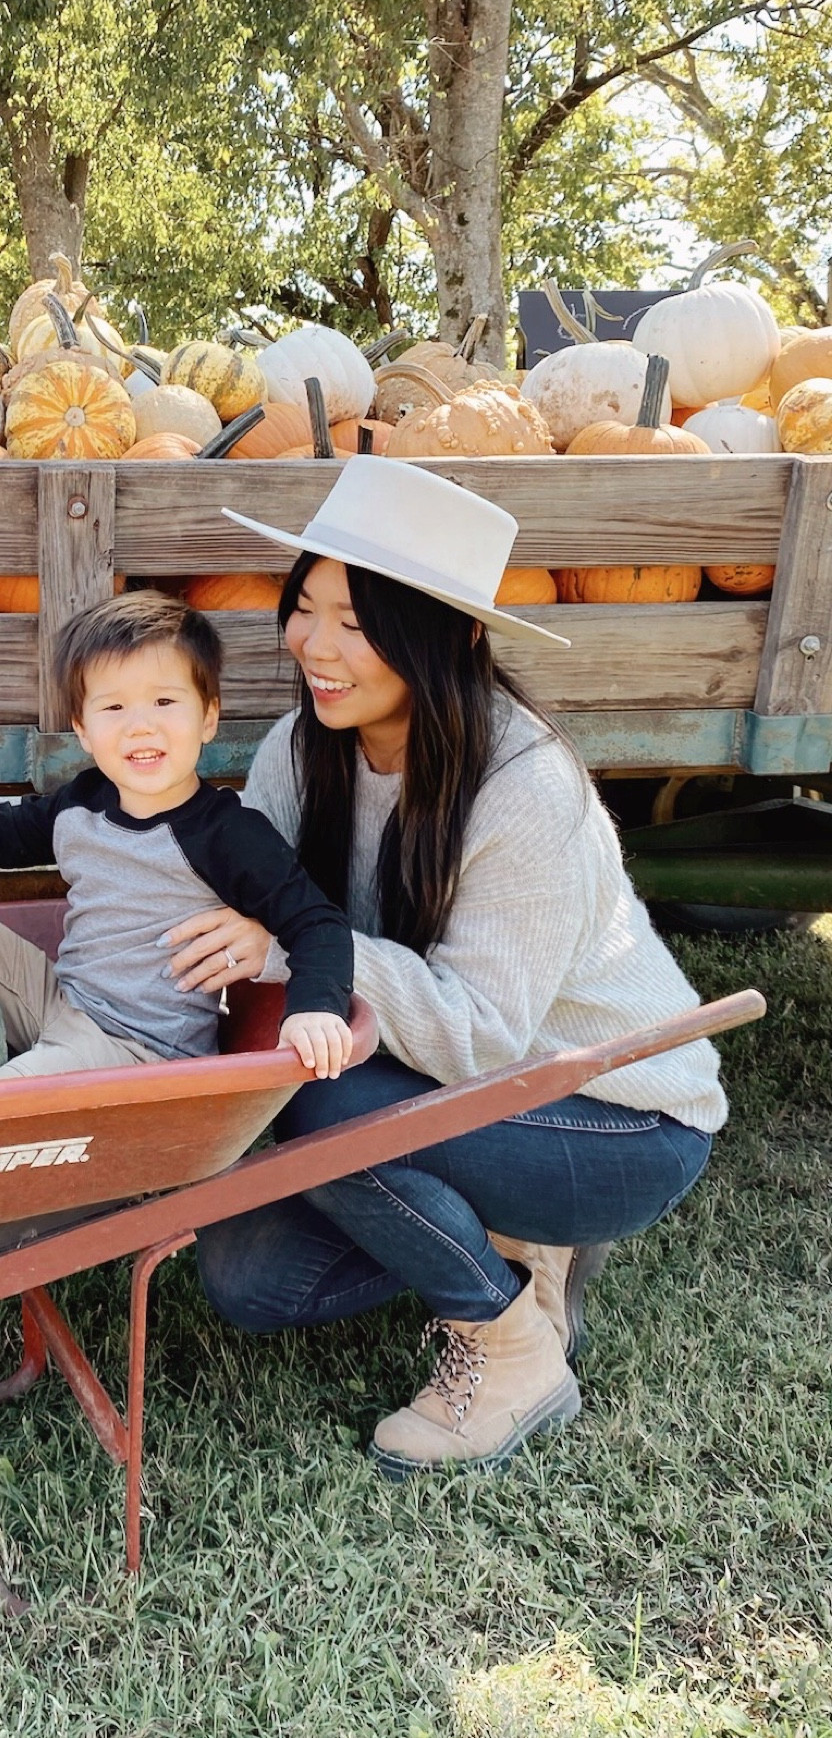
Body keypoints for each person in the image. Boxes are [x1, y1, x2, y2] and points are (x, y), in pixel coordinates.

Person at [170, 457, 726, 1477]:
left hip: (610, 1115)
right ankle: (504, 1229)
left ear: (452, 634)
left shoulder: (525, 788)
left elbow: (482, 1035)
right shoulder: (300, 749)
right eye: (306, 607)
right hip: (447, 1081)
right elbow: (241, 905)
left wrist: (297, 944)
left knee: (321, 1104)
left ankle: (510, 1348)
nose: (315, 644)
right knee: (252, 1277)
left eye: (357, 620)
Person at [0, 591, 355, 1080]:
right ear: (82, 728)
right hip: (63, 1002)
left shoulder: (228, 833)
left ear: (208, 717)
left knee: (1, 1098)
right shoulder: (81, 803)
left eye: (164, 702)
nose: (140, 725)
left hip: (139, 1048)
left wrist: (315, 1008)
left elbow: (317, 922)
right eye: (114, 707)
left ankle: (4, 1087)